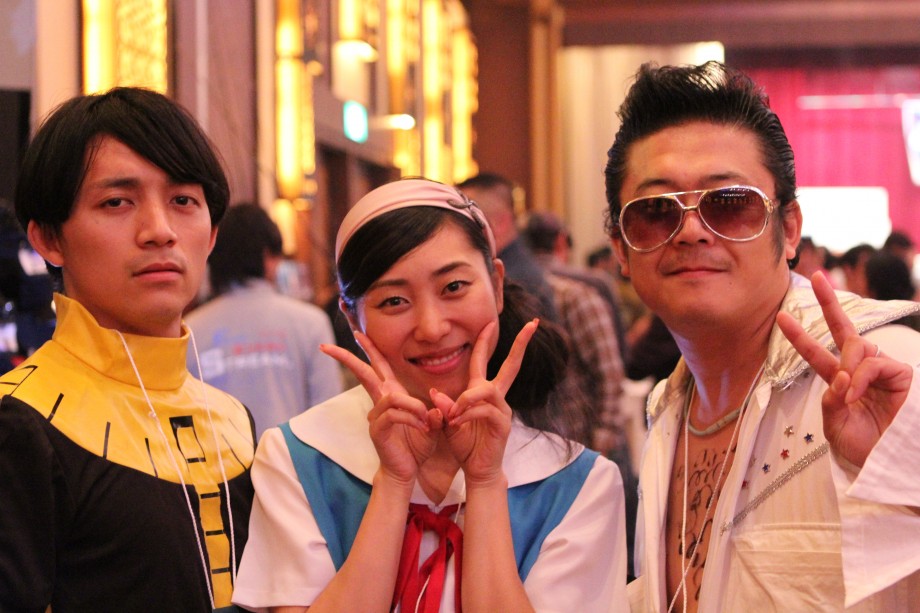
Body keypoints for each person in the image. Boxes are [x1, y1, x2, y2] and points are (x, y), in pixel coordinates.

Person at [604, 61, 920, 612]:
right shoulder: (669, 409)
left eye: (729, 203)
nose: (692, 231)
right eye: (655, 211)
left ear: (789, 228)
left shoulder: (884, 369)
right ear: (621, 249)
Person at [232, 178, 628, 611]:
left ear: (496, 285)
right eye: (394, 301)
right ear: (352, 318)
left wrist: (485, 482)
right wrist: (394, 483)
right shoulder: (298, 459)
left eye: (454, 287)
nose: (432, 328)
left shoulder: (580, 485)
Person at [0, 87, 255, 612]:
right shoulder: (18, 424)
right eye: (116, 202)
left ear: (211, 235)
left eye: (183, 201)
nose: (160, 231)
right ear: (48, 239)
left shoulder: (234, 420)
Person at [185, 203, 343, 438]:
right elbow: (329, 415)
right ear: (269, 257)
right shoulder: (311, 323)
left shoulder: (189, 330)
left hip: (217, 460)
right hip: (294, 460)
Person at [456, 173, 559, 322]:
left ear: (500, 223)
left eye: (465, 221)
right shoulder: (515, 269)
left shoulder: (515, 282)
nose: (457, 229)